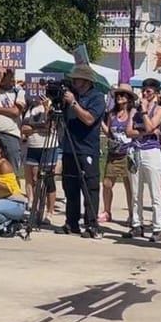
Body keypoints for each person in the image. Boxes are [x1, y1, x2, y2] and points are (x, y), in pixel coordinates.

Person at [54, 64, 106, 238]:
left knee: (89, 187)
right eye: (73, 79)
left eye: (77, 79)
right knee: (70, 187)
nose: (74, 81)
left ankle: (92, 225)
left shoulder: (97, 97)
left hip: (86, 149)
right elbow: (58, 117)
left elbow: (89, 119)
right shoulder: (70, 96)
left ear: (86, 81)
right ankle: (71, 222)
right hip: (69, 147)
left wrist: (73, 103)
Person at [125, 78, 161, 241]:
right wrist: (145, 131)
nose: (145, 94)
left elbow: (150, 125)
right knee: (136, 191)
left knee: (155, 191)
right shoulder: (134, 111)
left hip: (152, 152)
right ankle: (136, 223)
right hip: (135, 150)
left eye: (149, 91)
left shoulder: (159, 109)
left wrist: (143, 115)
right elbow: (129, 131)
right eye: (144, 90)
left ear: (155, 93)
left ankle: (158, 227)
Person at [99, 83, 134, 224]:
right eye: (118, 94)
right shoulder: (112, 114)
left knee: (129, 185)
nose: (119, 97)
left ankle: (132, 214)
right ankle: (107, 211)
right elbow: (109, 133)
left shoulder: (132, 113)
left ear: (129, 98)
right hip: (113, 154)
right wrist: (101, 123)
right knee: (107, 183)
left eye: (123, 94)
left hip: (128, 153)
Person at [22, 88, 58, 224]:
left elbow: (50, 126)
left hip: (48, 146)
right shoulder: (30, 109)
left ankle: (50, 211)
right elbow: (25, 128)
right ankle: (37, 209)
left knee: (48, 180)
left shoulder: (51, 107)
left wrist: (47, 108)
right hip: (33, 146)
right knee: (35, 180)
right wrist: (38, 127)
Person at [0, 67, 26, 170]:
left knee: (12, 169)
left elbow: (15, 112)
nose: (10, 78)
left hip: (10, 134)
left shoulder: (18, 92)